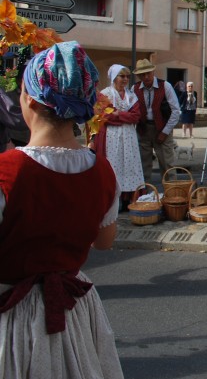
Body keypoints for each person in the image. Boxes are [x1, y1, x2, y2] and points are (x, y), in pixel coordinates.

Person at [0, 41, 123, 378]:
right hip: (73, 314)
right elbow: (104, 241)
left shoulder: (6, 171)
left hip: (11, 317)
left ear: (29, 100)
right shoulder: (102, 170)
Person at [93, 65, 145, 212]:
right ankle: (113, 200)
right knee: (113, 165)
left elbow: (136, 116)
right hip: (111, 136)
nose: (125, 80)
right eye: (122, 76)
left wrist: (118, 114)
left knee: (129, 164)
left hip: (128, 136)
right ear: (114, 77)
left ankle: (127, 198)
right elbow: (104, 116)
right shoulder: (105, 95)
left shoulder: (131, 96)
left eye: (127, 77)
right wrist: (121, 116)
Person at [133, 58, 181, 181]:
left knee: (167, 165)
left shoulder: (165, 86)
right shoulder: (134, 88)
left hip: (163, 127)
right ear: (138, 76)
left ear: (153, 72)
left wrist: (165, 132)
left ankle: (173, 195)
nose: (146, 76)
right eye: (142, 74)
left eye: (148, 73)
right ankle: (144, 195)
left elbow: (176, 111)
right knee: (143, 166)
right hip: (143, 129)